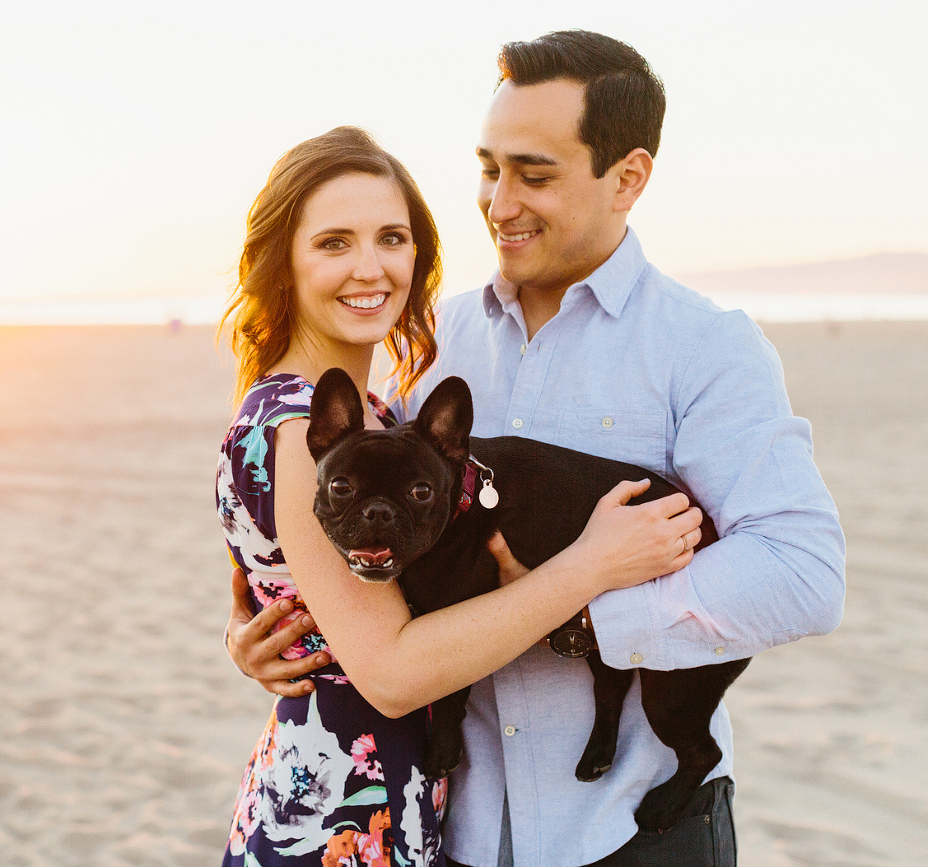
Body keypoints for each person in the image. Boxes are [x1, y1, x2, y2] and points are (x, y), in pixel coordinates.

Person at [227, 31, 846, 867]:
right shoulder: (429, 342)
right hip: (458, 829)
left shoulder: (705, 345)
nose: (498, 201)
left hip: (637, 829)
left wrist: (593, 616)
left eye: (535, 173)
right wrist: (273, 631)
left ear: (627, 177)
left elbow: (803, 574)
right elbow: (357, 518)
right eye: (488, 167)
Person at [217, 124, 706, 866]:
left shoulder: (369, 414)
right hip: (339, 821)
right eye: (333, 243)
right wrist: (588, 565)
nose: (370, 267)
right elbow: (390, 671)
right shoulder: (297, 426)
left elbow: (288, 585)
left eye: (391, 236)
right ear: (280, 261)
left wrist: (248, 632)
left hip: (376, 799)